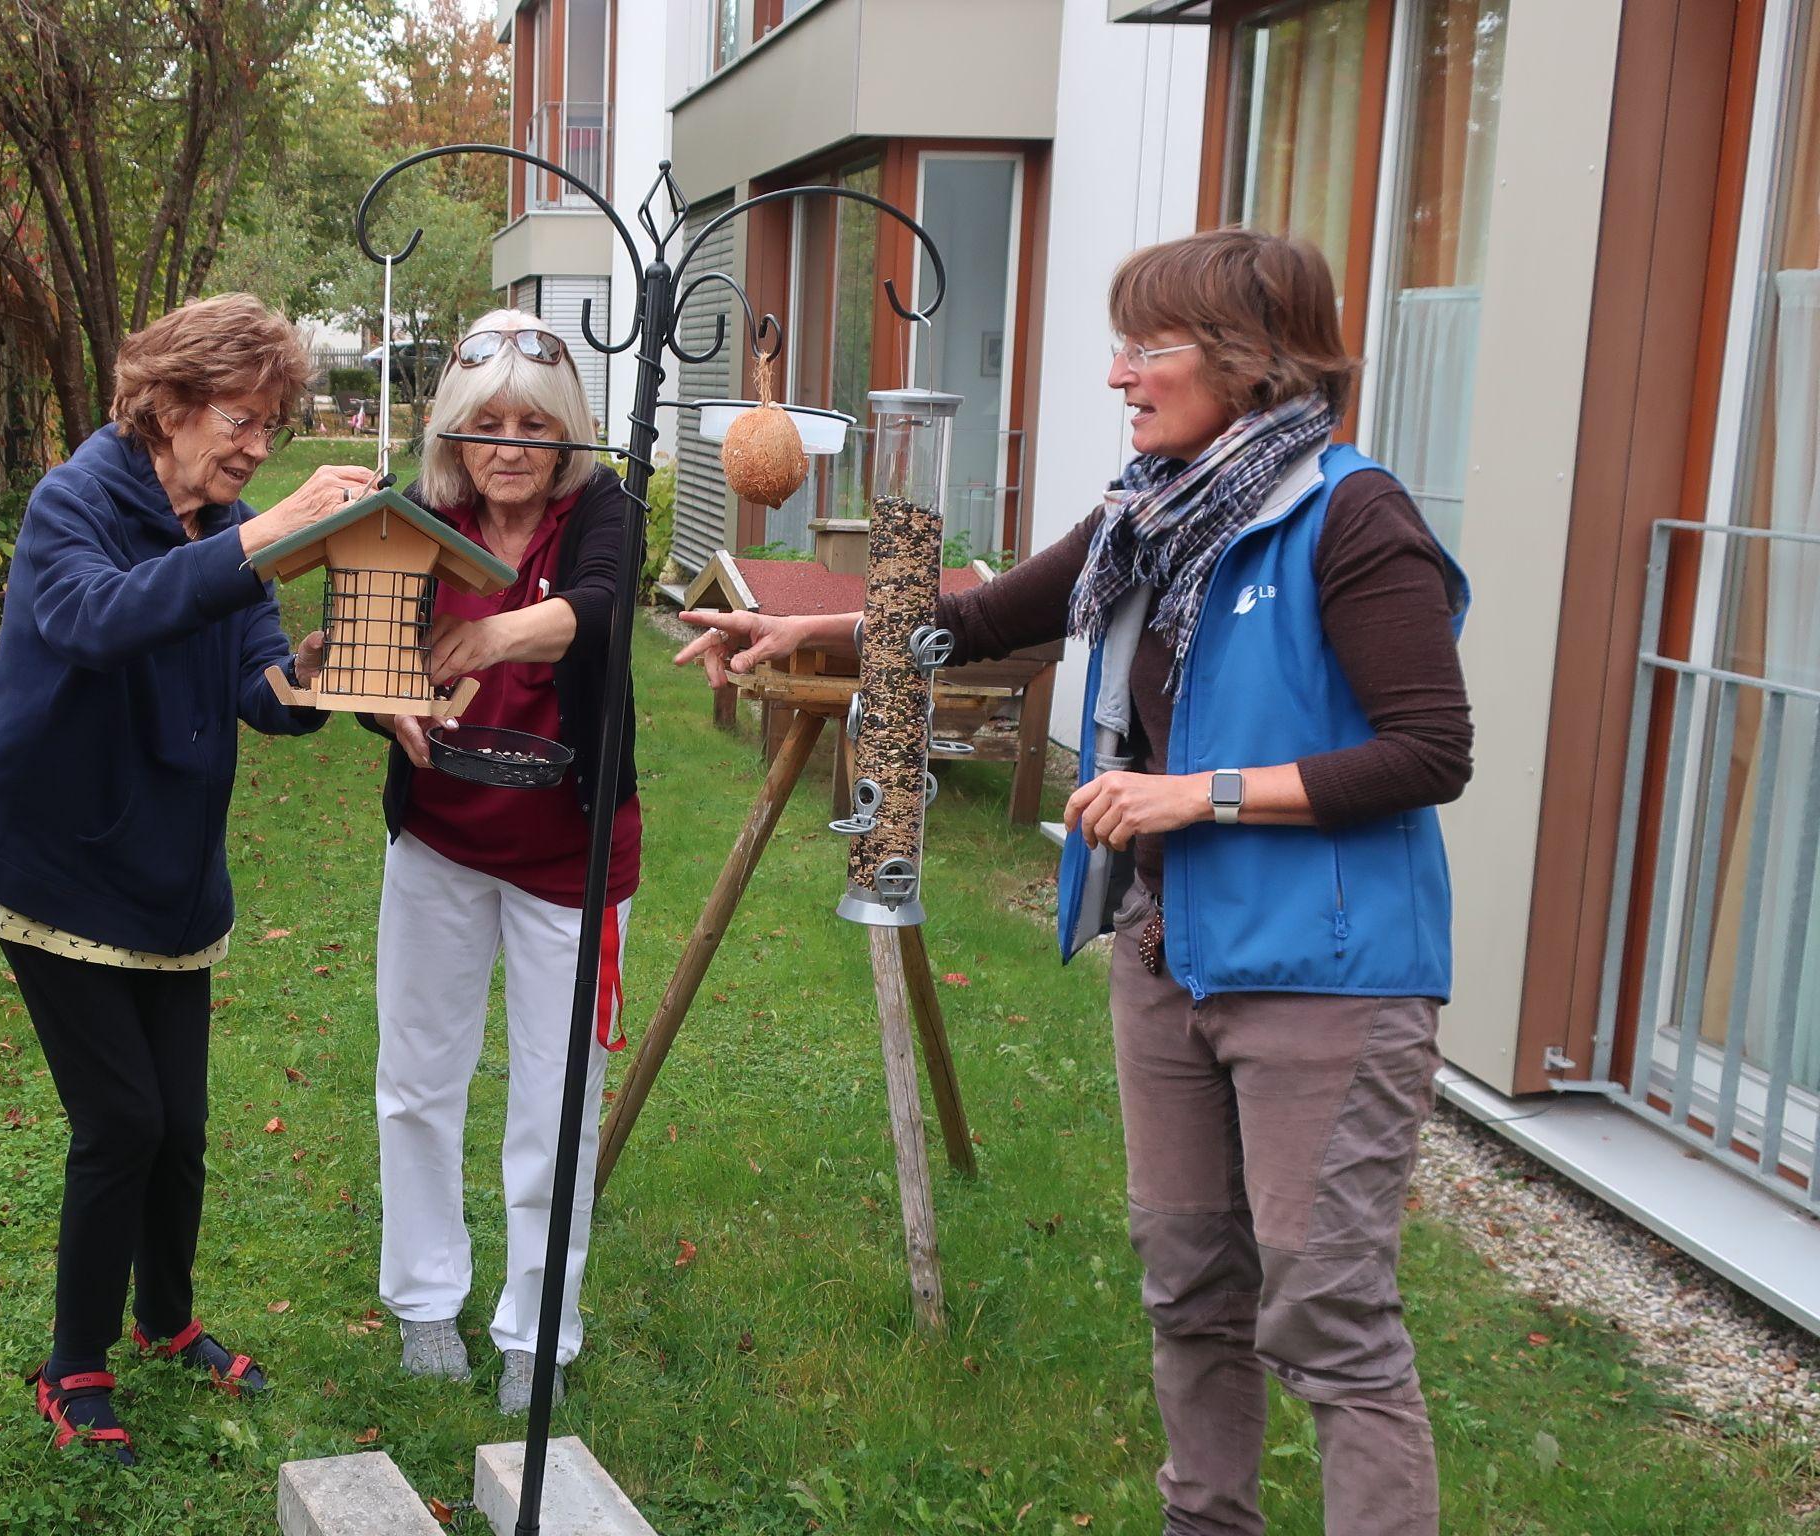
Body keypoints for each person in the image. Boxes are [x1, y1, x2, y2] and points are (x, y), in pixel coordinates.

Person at [677, 230, 1472, 1536]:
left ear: (1250, 359)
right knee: (1189, 1284)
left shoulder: (1352, 514)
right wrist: (813, 630)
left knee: (1328, 1314)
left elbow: (1428, 751)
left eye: (1147, 348)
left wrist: (1195, 795)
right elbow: (986, 618)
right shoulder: (1150, 513)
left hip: (1324, 977)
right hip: (1168, 955)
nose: (1117, 376)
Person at [0, 293, 372, 1465]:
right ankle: (73, 1362)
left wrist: (327, 670)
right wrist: (258, 540)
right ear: (170, 403)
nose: (256, 447)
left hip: (170, 879)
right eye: (241, 419)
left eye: (271, 426)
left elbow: (259, 689)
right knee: (122, 1121)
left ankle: (165, 1318)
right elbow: (95, 619)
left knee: (178, 1126)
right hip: (58, 868)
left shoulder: (223, 522)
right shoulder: (76, 500)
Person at [364, 310, 642, 1414]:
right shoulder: (421, 517)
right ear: (455, 431)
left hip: (569, 854)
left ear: (568, 433)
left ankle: (537, 1333)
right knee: (417, 1080)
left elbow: (603, 608)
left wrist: (493, 634)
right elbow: (377, 654)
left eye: (535, 425)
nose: (511, 447)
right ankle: (426, 1302)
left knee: (556, 1100)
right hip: (440, 839)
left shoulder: (603, 510)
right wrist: (385, 704)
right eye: (489, 425)